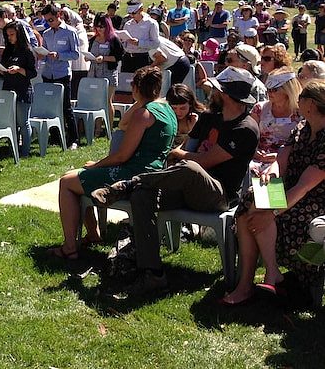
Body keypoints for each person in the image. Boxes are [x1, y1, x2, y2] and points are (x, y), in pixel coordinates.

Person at [92, 66, 260, 296]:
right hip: (184, 184)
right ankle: (152, 273)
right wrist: (179, 153)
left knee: (190, 168)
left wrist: (180, 155)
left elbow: (204, 161)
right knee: (143, 195)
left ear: (227, 95)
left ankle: (131, 183)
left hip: (218, 195)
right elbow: (185, 148)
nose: (211, 93)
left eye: (217, 90)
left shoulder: (246, 128)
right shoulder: (210, 118)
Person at [51, 66, 177, 259]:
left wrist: (96, 165)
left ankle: (70, 247)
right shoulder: (167, 109)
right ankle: (93, 235)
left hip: (132, 175)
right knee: (75, 178)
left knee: (67, 182)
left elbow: (122, 156)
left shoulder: (143, 115)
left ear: (134, 88)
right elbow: (125, 125)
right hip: (153, 173)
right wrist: (141, 101)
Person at [221, 80, 325, 306]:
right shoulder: (302, 128)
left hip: (315, 201)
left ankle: (255, 280)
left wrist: (272, 213)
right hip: (291, 191)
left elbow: (305, 186)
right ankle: (261, 277)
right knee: (252, 195)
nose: (298, 101)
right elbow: (281, 160)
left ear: (311, 104)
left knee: (258, 209)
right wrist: (272, 172)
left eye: (302, 98)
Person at [39, 3, 80, 149]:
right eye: (46, 21)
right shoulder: (46, 34)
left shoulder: (70, 32)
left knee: (66, 107)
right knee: (50, 107)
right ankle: (55, 136)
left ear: (59, 16)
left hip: (62, 73)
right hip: (47, 73)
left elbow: (75, 54)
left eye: (50, 20)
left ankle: (74, 139)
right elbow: (45, 51)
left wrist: (60, 55)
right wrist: (41, 55)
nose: (48, 23)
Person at [248, 68, 302, 176]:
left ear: (288, 90)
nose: (269, 92)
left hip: (286, 161)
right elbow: (248, 137)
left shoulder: (301, 113)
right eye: (268, 88)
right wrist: (253, 151)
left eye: (275, 89)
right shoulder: (260, 108)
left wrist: (279, 156)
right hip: (256, 159)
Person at [0, 21, 38, 158]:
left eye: (12, 34)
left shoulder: (27, 51)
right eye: (8, 35)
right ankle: (13, 149)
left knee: (23, 122)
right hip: (9, 88)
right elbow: (4, 68)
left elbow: (33, 73)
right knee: (11, 122)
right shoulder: (8, 50)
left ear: (19, 34)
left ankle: (25, 151)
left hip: (23, 90)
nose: (9, 38)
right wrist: (2, 69)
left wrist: (19, 69)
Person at [86, 13, 125, 116]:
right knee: (96, 102)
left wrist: (103, 58)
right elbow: (90, 53)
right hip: (93, 73)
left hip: (108, 73)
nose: (99, 29)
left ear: (107, 26)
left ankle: (109, 128)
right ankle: (97, 128)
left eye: (102, 26)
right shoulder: (93, 40)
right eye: (97, 26)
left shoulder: (114, 39)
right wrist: (88, 57)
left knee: (107, 101)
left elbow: (118, 57)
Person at [121, 0, 160, 73]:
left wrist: (139, 43)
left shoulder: (151, 23)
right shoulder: (127, 24)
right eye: (130, 13)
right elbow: (124, 42)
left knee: (141, 81)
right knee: (125, 81)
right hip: (128, 57)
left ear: (141, 9)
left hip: (142, 57)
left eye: (134, 13)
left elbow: (156, 44)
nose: (132, 16)